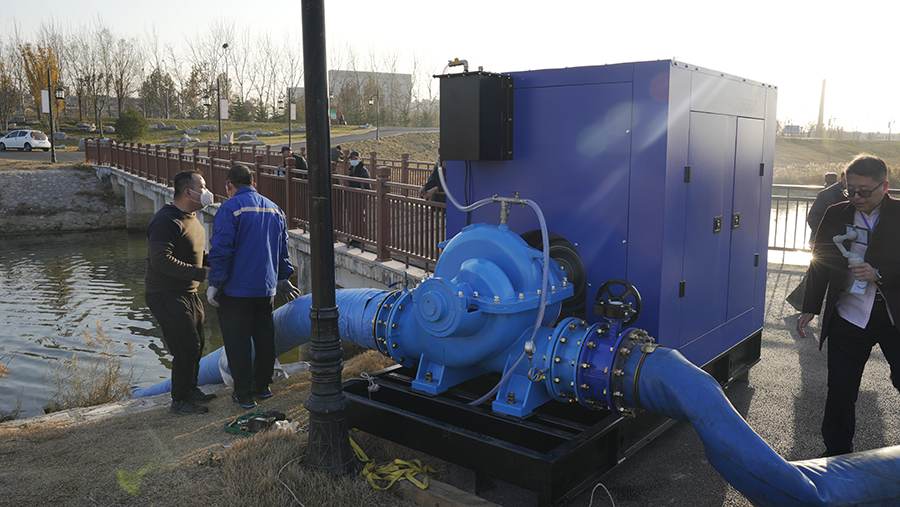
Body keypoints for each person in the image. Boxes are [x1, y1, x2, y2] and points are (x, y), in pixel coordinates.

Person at [797, 154, 900, 457]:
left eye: (864, 192)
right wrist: (810, 306)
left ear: (884, 186)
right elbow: (820, 260)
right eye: (850, 190)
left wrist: (879, 273)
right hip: (849, 314)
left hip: (894, 316)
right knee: (840, 390)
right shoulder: (835, 213)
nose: (856, 197)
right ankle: (836, 453)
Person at [207, 163, 301, 409]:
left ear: (229, 185)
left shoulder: (230, 208)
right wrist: (284, 278)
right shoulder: (275, 209)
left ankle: (244, 394)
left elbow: (222, 249)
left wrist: (215, 283)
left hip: (236, 290)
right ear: (253, 183)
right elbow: (282, 250)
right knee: (264, 338)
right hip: (265, 289)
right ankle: (263, 386)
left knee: (237, 342)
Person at [145, 170, 216, 415]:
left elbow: (195, 254)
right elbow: (161, 260)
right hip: (165, 293)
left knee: (198, 344)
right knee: (185, 346)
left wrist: (215, 262)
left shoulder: (192, 218)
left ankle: (191, 389)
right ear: (188, 191)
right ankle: (179, 400)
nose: (206, 191)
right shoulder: (165, 221)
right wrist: (201, 273)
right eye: (202, 186)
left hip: (189, 291)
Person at [786, 171, 848, 311]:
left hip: (834, 242)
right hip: (823, 242)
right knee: (817, 272)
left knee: (818, 272)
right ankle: (802, 302)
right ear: (842, 178)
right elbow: (813, 218)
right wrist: (827, 236)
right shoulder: (826, 194)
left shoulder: (848, 194)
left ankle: (802, 302)